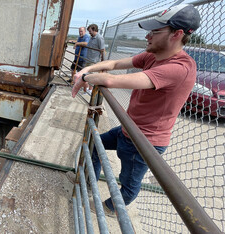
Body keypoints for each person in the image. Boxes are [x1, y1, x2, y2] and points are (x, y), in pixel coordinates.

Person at [71, 4, 201, 217]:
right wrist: (85, 69)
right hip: (128, 129)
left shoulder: (179, 68)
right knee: (94, 144)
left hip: (145, 141)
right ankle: (88, 183)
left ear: (177, 34)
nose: (147, 35)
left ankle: (110, 208)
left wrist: (84, 77)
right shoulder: (152, 55)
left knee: (129, 184)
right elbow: (113, 64)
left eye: (155, 31)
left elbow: (111, 80)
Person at [83, 24, 105, 95]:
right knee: (86, 76)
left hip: (94, 61)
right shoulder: (92, 38)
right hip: (88, 59)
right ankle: (87, 89)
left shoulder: (99, 38)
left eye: (90, 31)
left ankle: (90, 90)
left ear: (94, 30)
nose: (89, 33)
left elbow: (102, 50)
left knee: (91, 76)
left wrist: (101, 62)